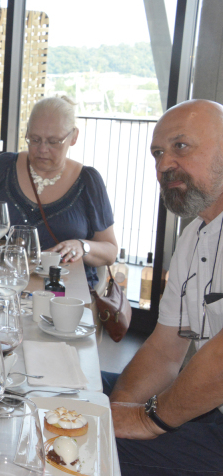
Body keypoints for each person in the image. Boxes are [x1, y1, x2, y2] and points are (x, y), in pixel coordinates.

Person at [105, 100, 223, 476]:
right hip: (212, 409)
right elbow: (165, 350)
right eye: (157, 153)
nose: (163, 165)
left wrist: (146, 420)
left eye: (180, 146)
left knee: (70, 443)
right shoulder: (194, 236)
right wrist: (119, 410)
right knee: (72, 394)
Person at [0, 96, 117, 287]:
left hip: (65, 293)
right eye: (34, 139)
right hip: (2, 286)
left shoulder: (88, 181)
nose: (42, 149)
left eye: (53, 141)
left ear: (74, 137)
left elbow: (110, 251)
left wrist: (82, 246)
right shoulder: (4, 167)